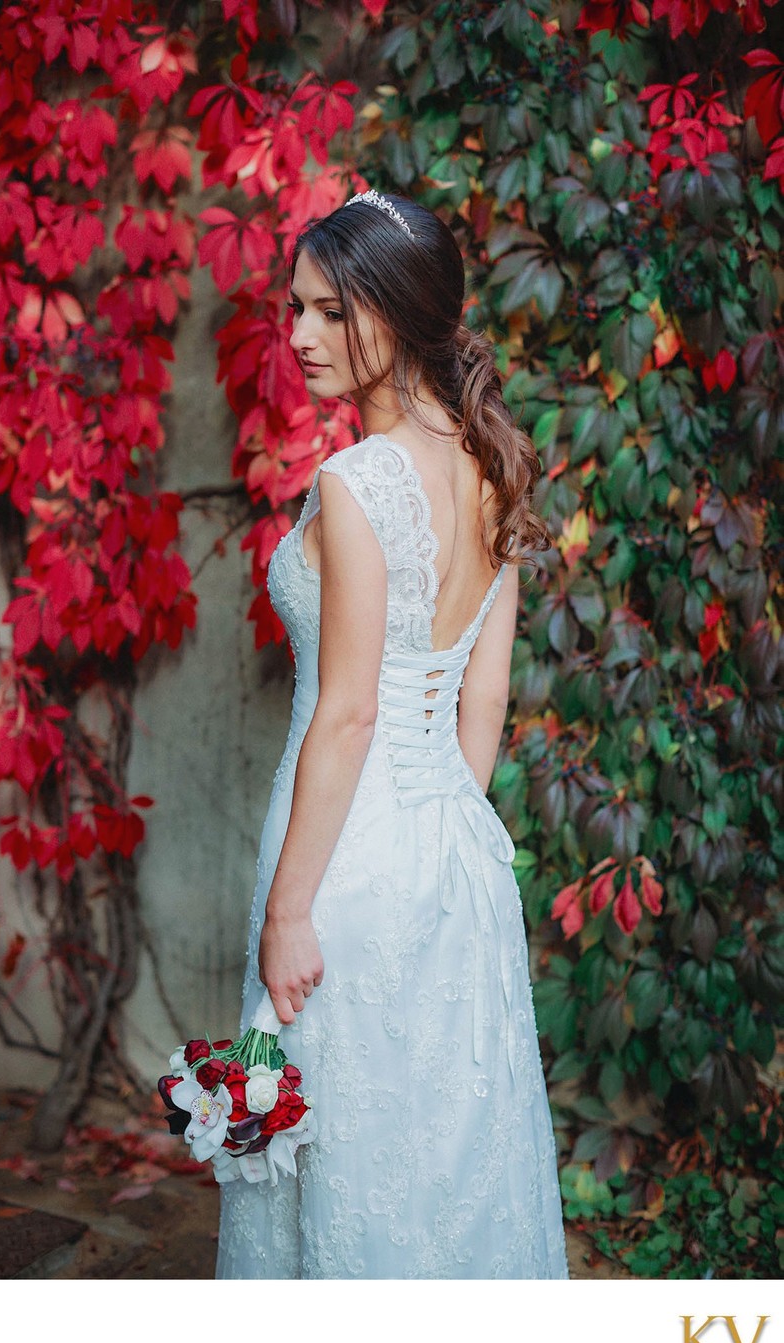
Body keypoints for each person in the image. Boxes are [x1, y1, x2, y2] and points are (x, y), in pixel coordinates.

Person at [215, 189, 569, 1279]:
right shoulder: (492, 461)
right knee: (445, 1167)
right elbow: (481, 706)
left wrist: (289, 909)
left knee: (343, 1162)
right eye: (296, 309)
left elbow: (351, 707)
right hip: (451, 859)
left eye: (330, 313)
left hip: (342, 863)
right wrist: (437, 845)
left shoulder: (360, 478)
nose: (300, 337)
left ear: (400, 312)